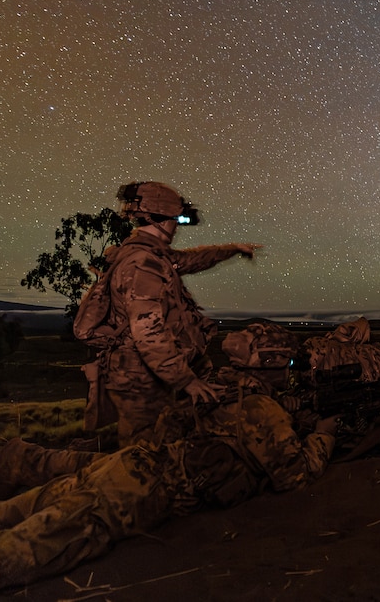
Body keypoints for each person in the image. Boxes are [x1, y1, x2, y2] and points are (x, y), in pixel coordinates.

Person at [0, 382, 337, 602]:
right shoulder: (267, 413)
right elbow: (293, 476)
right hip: (118, 500)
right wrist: (324, 436)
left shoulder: (228, 395)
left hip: (119, 469)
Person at [99, 180, 262, 446]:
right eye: (176, 219)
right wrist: (187, 381)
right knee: (144, 457)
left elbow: (190, 260)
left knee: (171, 443)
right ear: (160, 219)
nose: (177, 226)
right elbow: (147, 332)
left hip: (154, 372)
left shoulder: (152, 255)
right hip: (142, 378)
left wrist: (232, 250)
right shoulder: (143, 264)